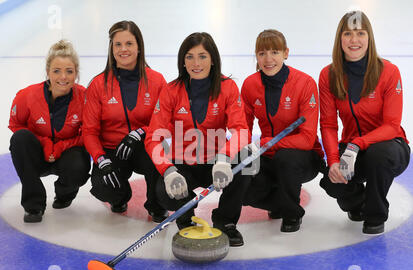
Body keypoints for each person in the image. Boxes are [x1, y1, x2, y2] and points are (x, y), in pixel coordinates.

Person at [145, 32, 251, 246]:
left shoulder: (228, 87)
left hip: (216, 162)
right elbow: (153, 138)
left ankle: (226, 222)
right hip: (184, 163)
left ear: (213, 59)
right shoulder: (171, 90)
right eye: (189, 57)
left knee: (247, 158)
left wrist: (224, 159)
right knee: (163, 193)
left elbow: (241, 130)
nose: (196, 63)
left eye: (202, 56)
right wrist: (168, 171)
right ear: (182, 62)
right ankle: (186, 220)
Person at [318, 11, 410, 234]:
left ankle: (375, 214)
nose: (354, 40)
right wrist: (332, 161)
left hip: (390, 146)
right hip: (351, 149)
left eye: (360, 33)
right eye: (348, 33)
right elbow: (328, 125)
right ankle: (357, 202)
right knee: (330, 181)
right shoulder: (328, 75)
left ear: (369, 37)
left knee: (379, 155)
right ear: (340, 39)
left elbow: (392, 124)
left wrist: (358, 143)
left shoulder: (388, 71)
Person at [83, 21, 168, 222]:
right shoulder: (97, 85)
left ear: (139, 47)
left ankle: (156, 204)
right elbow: (89, 131)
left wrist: (141, 133)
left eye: (129, 43)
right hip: (112, 150)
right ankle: (119, 197)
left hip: (145, 145)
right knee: (105, 186)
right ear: (111, 49)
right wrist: (101, 160)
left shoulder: (156, 81)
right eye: (118, 45)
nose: (123, 49)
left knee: (157, 158)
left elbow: (165, 122)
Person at [241, 29, 325, 232]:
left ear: (286, 53)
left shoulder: (304, 83)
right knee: (241, 178)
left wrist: (268, 143)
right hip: (268, 154)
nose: (268, 59)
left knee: (285, 158)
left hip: (303, 158)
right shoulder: (250, 84)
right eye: (262, 53)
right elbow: (242, 128)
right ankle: (278, 202)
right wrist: (240, 152)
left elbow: (306, 139)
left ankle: (291, 213)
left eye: (275, 52)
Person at [8, 40, 91, 223]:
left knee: (80, 163)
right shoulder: (26, 96)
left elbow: (88, 133)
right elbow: (15, 124)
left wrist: (61, 146)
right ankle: (34, 205)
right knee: (20, 139)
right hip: (39, 155)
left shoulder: (85, 98)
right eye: (56, 71)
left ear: (76, 73)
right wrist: (44, 143)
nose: (63, 77)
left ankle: (64, 194)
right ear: (47, 72)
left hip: (67, 156)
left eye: (69, 71)